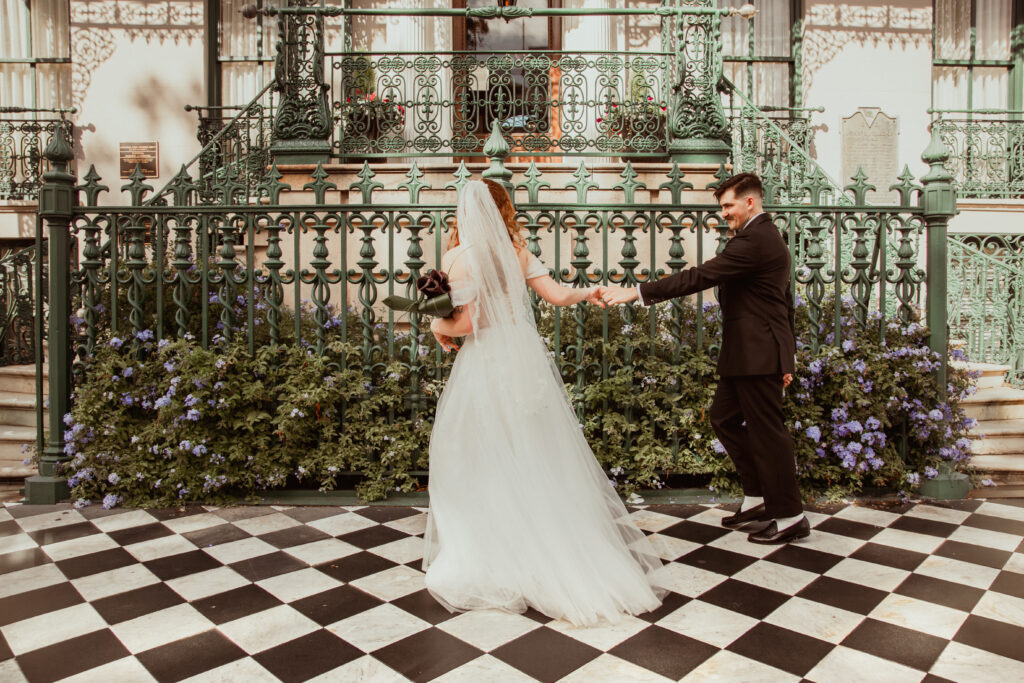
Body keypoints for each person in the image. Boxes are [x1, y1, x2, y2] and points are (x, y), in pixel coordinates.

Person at [423, 179, 667, 626]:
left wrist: (437, 329)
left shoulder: (458, 258)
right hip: (521, 362)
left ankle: (495, 553)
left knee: (475, 457)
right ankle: (543, 545)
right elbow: (556, 295)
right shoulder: (516, 254)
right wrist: (589, 293)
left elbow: (468, 322)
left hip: (485, 365)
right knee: (533, 453)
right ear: (504, 210)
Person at [602, 172, 808, 545]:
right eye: (722, 207)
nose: (724, 213)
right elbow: (784, 301)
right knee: (724, 419)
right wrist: (788, 354)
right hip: (748, 352)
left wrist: (637, 293)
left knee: (768, 434)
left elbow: (700, 276)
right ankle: (759, 499)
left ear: (750, 201)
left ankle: (791, 516)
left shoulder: (757, 240)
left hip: (759, 353)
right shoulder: (757, 238)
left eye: (728, 205)